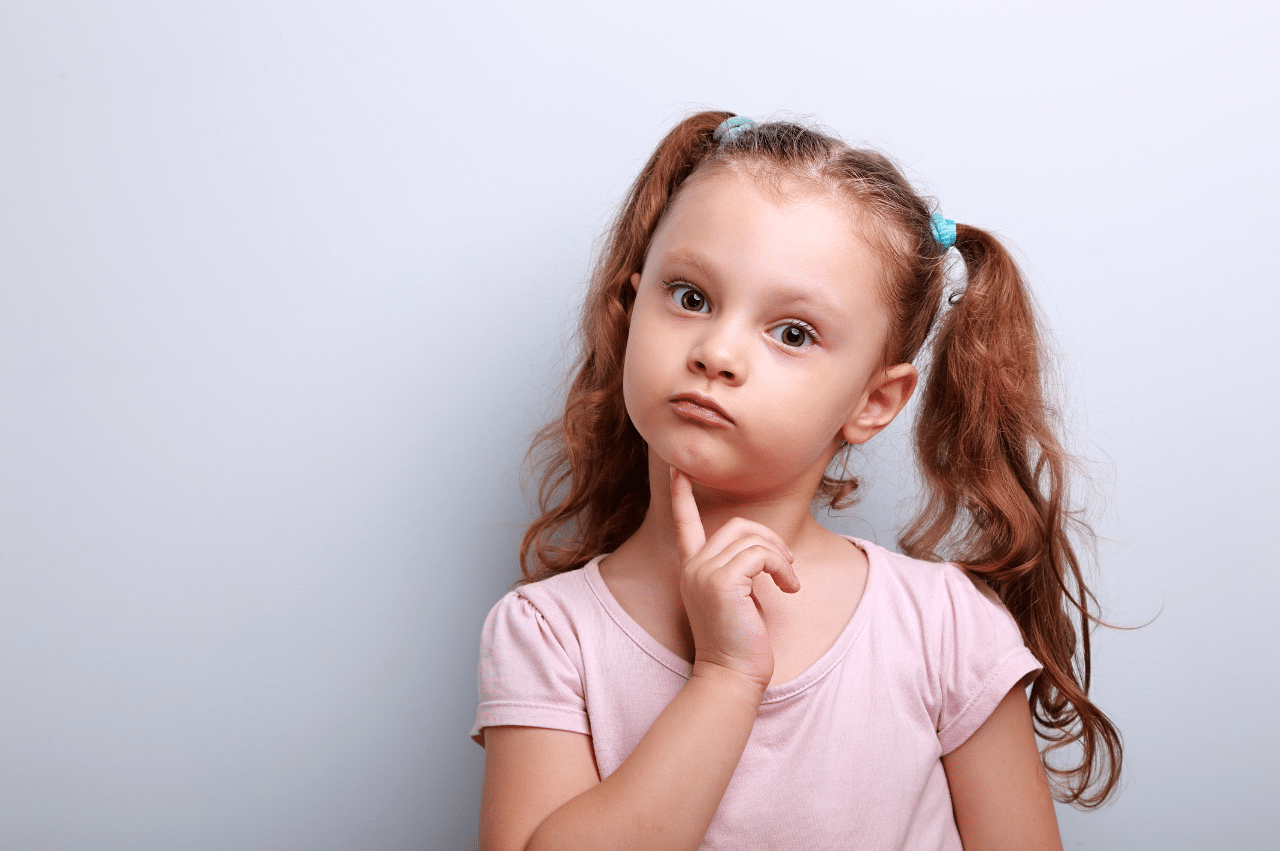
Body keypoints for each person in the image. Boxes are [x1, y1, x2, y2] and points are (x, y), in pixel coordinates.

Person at [471, 111, 1122, 851]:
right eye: (690, 296)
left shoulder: (943, 627)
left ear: (874, 401)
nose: (717, 351)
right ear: (631, 309)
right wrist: (723, 677)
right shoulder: (547, 634)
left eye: (792, 333)